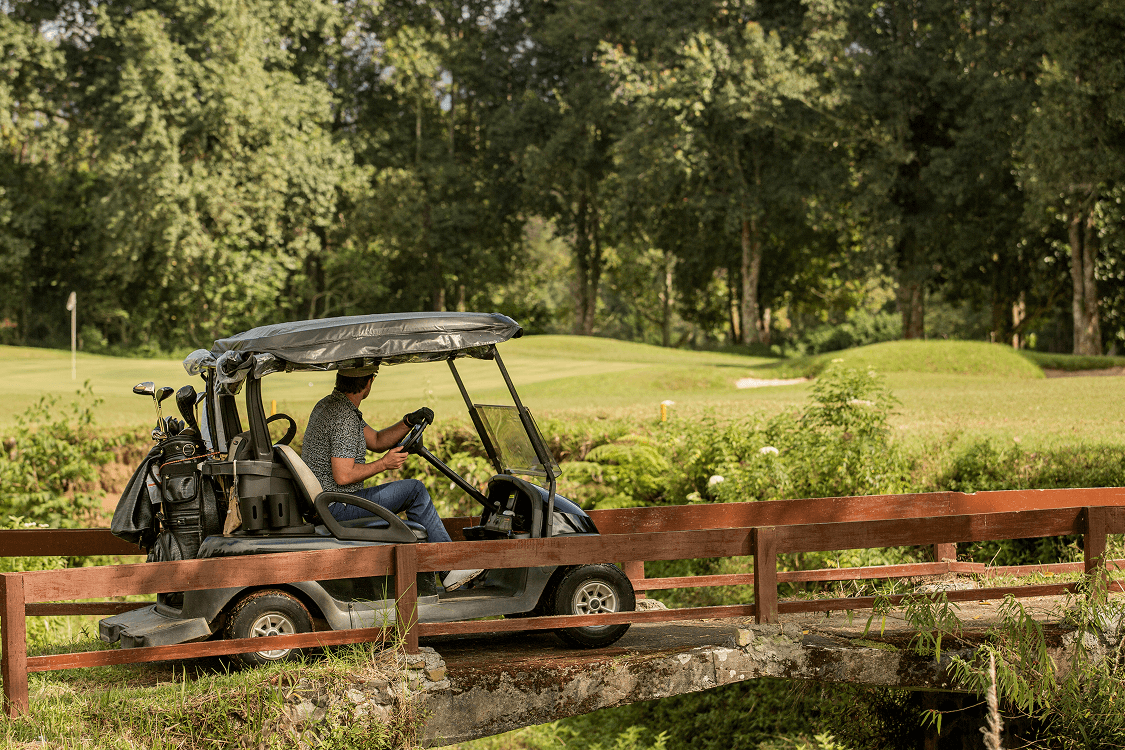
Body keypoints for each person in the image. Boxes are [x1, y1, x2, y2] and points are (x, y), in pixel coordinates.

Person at [301, 365, 484, 591]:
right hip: (337, 506)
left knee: (412, 490)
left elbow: (377, 440)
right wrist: (384, 465)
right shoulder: (344, 418)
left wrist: (407, 421)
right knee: (414, 490)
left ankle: (445, 567)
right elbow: (343, 475)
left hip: (329, 503)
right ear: (368, 383)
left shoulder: (332, 406)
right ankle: (448, 567)